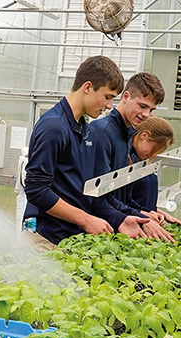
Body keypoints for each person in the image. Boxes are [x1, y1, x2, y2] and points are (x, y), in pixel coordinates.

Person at [23, 55, 149, 250]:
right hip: (44, 241)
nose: (109, 106)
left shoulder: (85, 130)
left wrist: (120, 219)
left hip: (68, 241)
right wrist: (85, 219)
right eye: (107, 97)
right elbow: (36, 190)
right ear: (88, 87)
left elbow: (87, 192)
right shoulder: (54, 126)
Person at [91, 73, 175, 241]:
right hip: (100, 229)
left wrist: (146, 214)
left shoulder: (126, 138)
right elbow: (95, 195)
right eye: (142, 106)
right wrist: (138, 216)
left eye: (151, 110)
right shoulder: (103, 133)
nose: (146, 114)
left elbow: (121, 196)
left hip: (116, 228)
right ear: (126, 96)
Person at [128, 117, 180, 227]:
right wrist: (145, 215)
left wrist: (158, 213)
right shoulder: (125, 158)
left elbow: (142, 200)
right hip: (133, 224)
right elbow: (123, 201)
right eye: (155, 149)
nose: (154, 155)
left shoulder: (142, 160)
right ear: (144, 136)